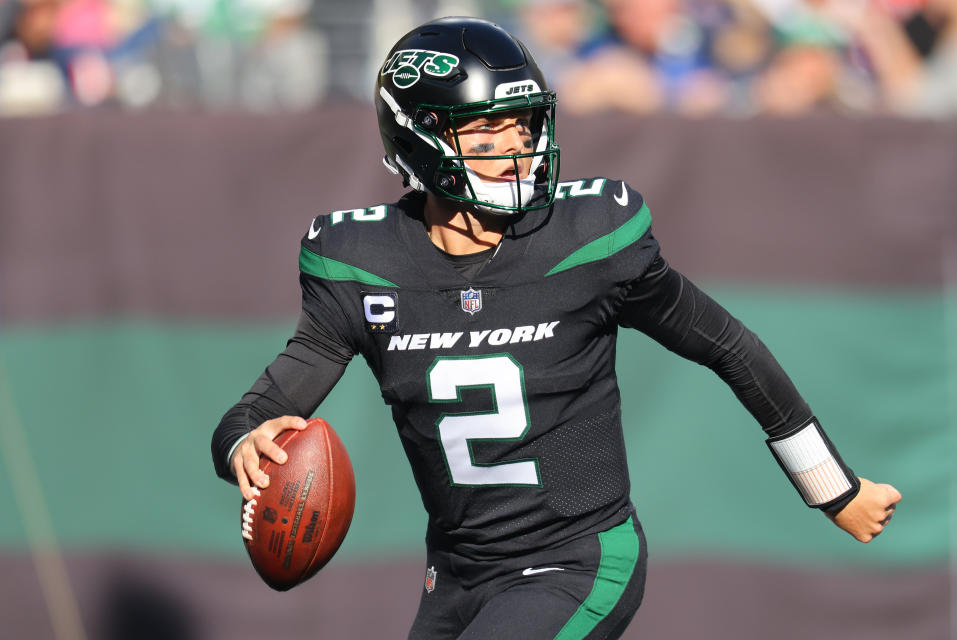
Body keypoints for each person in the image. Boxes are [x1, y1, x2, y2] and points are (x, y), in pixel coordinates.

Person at [211, 16, 902, 639]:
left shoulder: (587, 241)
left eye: (523, 125)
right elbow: (256, 414)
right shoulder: (361, 265)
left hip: (579, 558)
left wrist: (833, 488)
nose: (516, 149)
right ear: (416, 141)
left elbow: (728, 347)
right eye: (487, 131)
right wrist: (247, 443)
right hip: (456, 573)